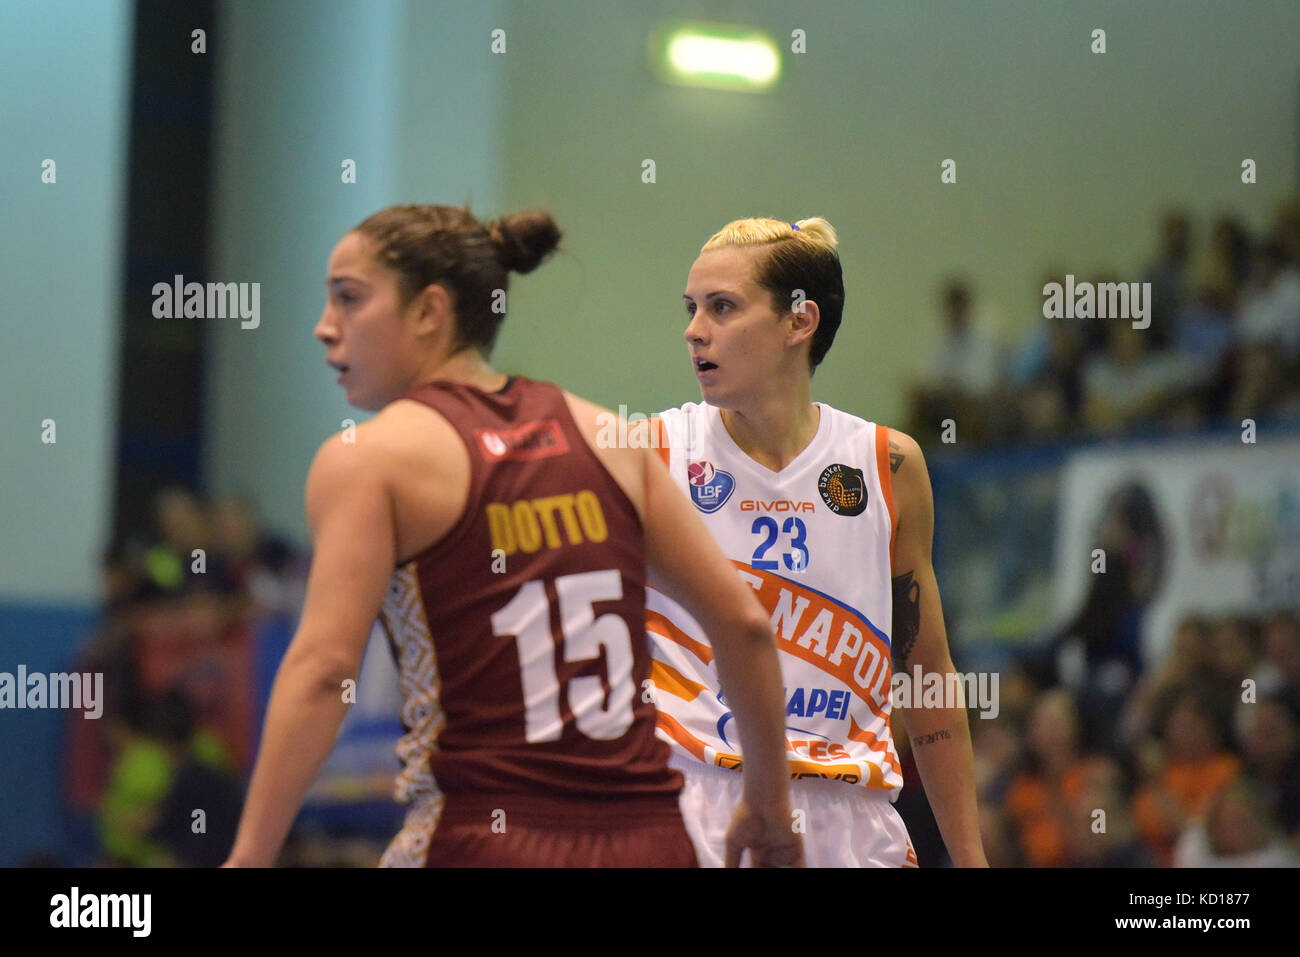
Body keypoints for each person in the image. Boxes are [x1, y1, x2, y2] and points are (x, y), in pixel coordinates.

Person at [222, 204, 801, 868]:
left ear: (429, 311)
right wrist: (768, 803)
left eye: (348, 298)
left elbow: (325, 671)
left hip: (483, 837)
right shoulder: (608, 435)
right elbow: (746, 625)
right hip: (653, 841)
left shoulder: (367, 459)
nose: (325, 328)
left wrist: (249, 855)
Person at [644, 216, 986, 866]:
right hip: (694, 803)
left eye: (721, 307)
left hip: (853, 818)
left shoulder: (887, 465)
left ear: (799, 322)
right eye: (691, 308)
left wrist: (970, 857)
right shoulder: (653, 451)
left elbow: (928, 676)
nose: (694, 329)